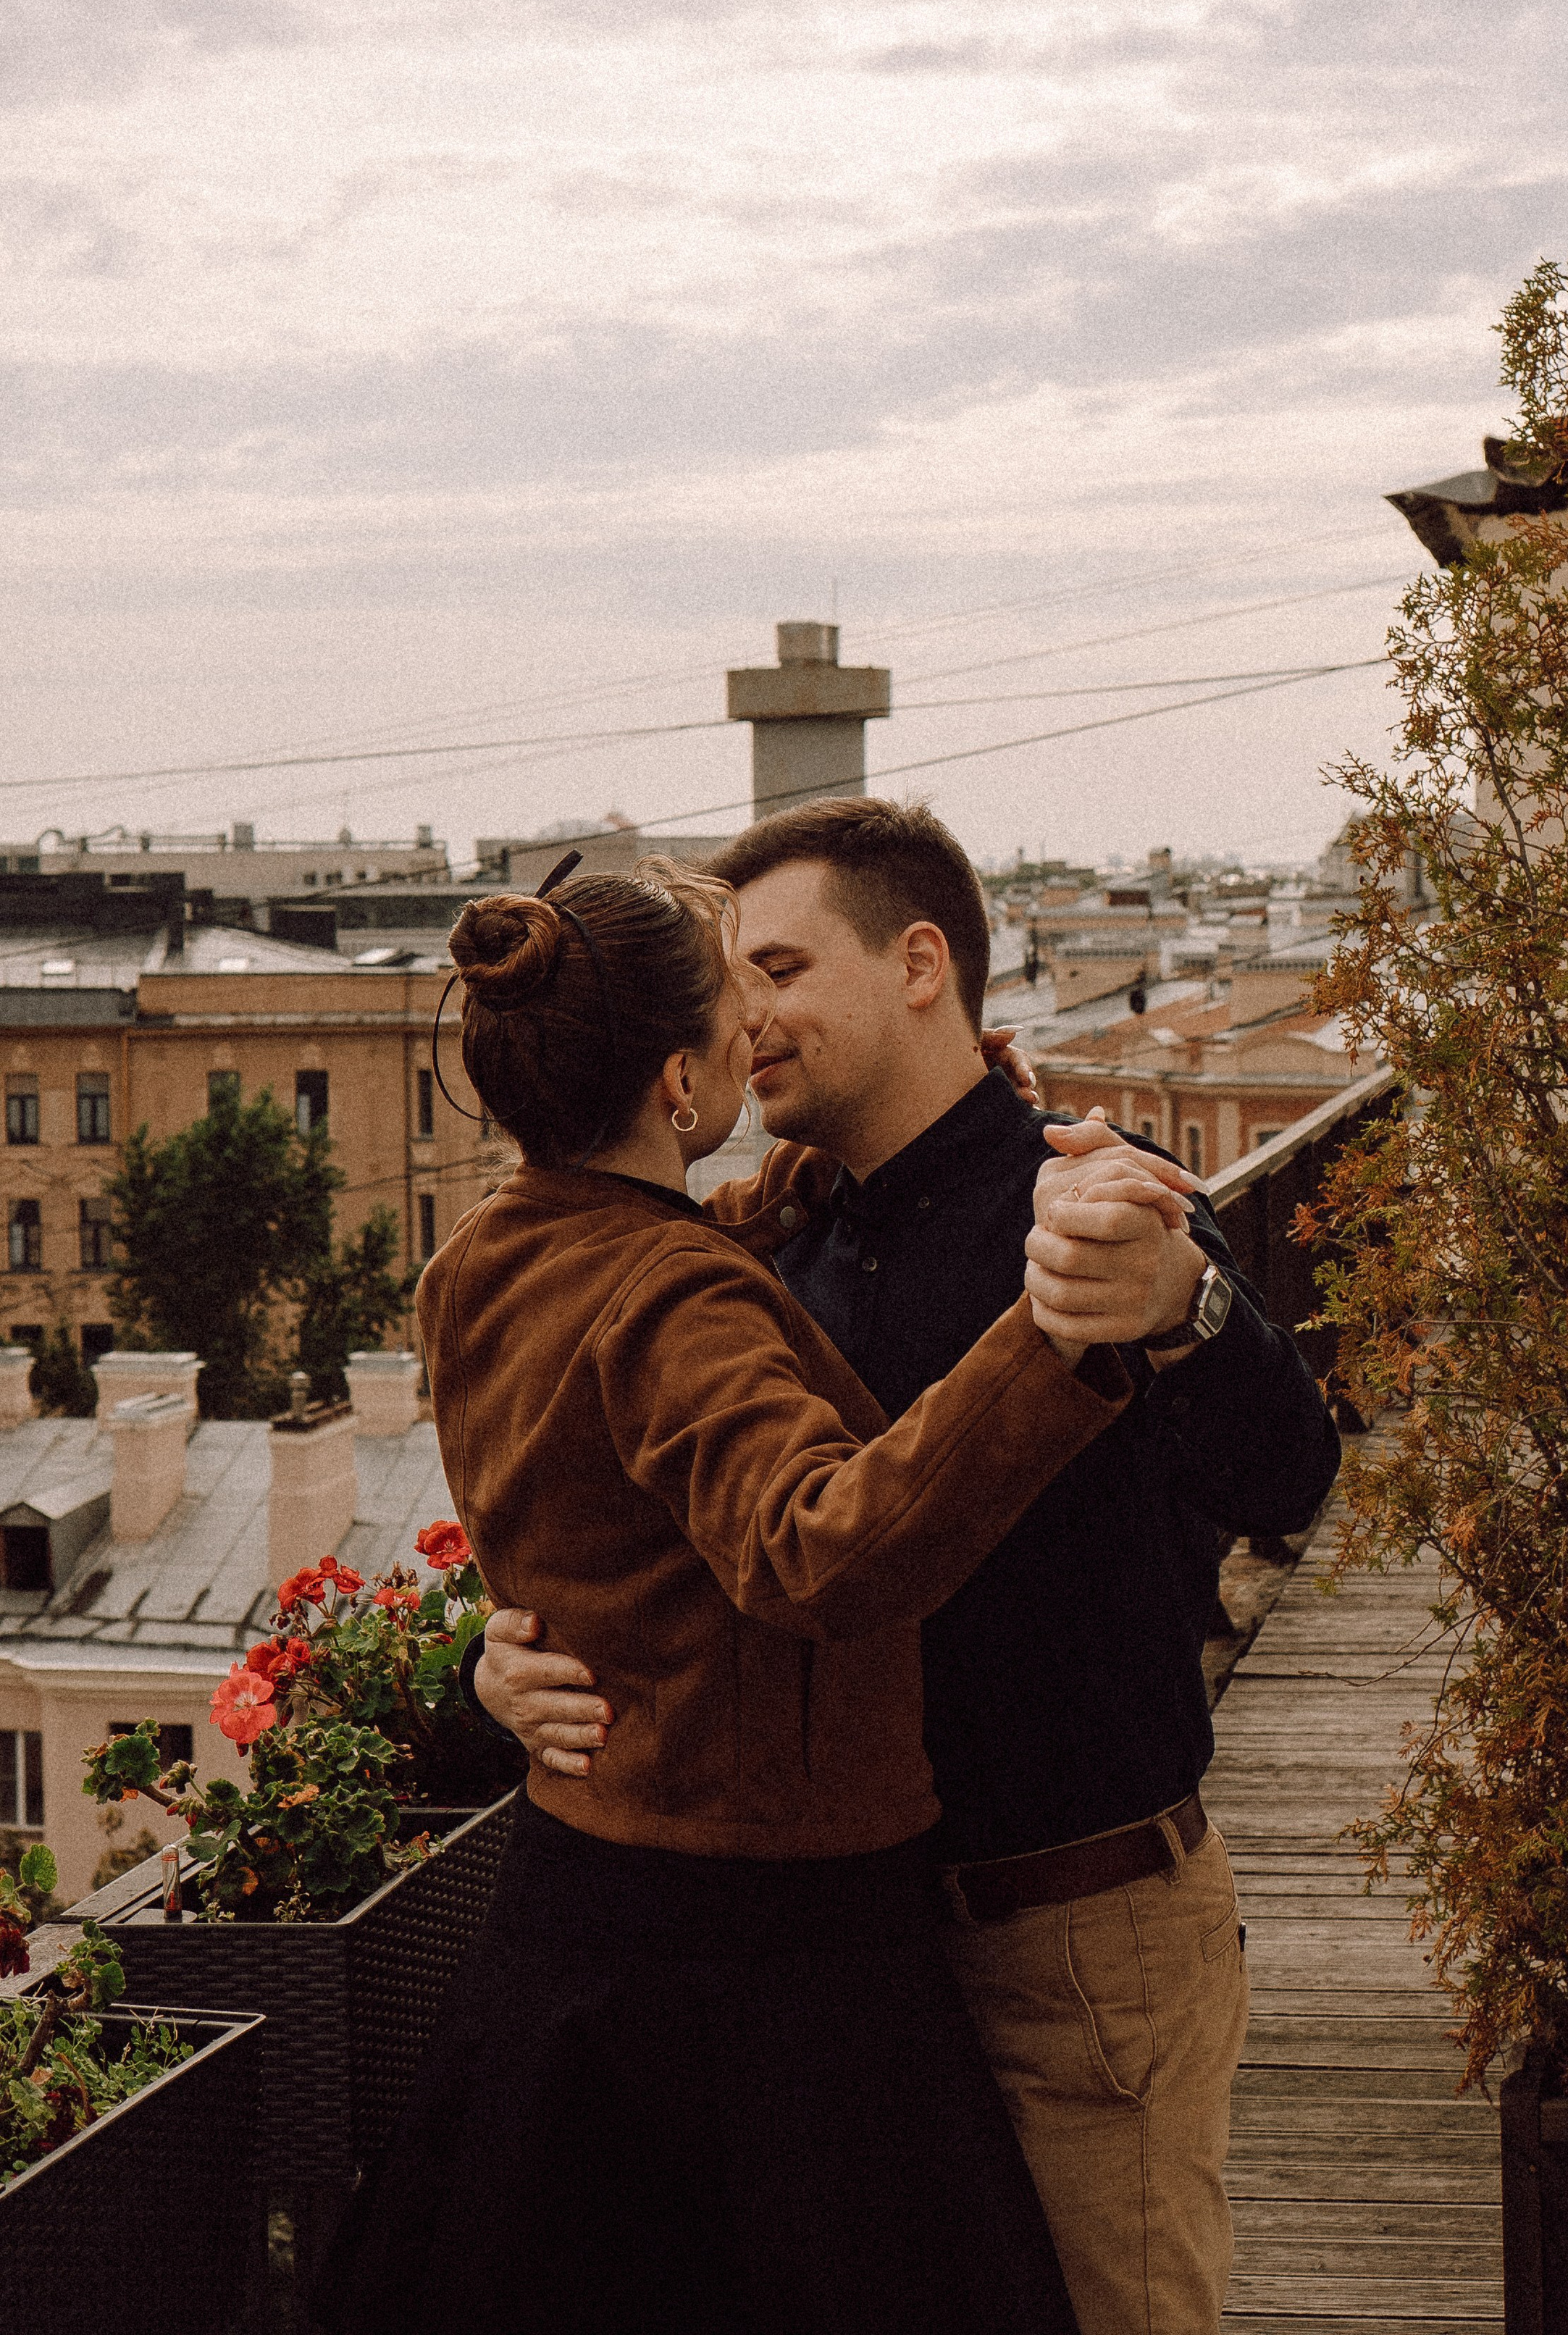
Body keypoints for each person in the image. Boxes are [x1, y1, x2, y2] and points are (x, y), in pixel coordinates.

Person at [476, 800, 1341, 2335]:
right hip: (838, 1975)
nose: (744, 1016)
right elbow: (618, 1497)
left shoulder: (1088, 1197)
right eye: (728, 983)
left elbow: (1288, 1478)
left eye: (781, 968)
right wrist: (501, 1657)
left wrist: (1182, 1305)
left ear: (920, 964)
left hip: (1069, 1944)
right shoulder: (765, 1246)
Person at [316, 863, 1194, 2335]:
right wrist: (1051, 1341)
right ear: (678, 1082)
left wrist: (821, 1169)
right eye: (736, 1011)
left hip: (571, 1914)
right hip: (770, 1962)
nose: (757, 1034)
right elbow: (817, 1549)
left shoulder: (479, 1261)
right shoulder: (674, 1295)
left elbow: (646, 1256)